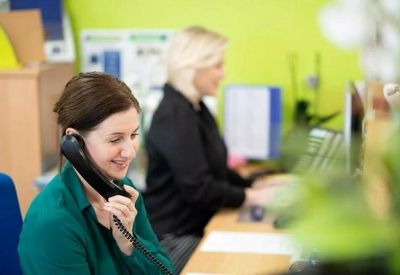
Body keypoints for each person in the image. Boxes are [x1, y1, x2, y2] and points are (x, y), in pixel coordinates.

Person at [143, 26, 282, 273]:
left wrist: (251, 185)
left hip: (196, 226)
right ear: (192, 66)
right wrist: (253, 198)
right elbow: (199, 188)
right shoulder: (175, 116)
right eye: (217, 66)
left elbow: (214, 170)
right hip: (173, 237)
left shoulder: (196, 108)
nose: (223, 74)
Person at [18, 72, 175, 275]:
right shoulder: (53, 222)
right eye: (115, 139)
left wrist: (129, 244)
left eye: (134, 135)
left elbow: (166, 271)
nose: (130, 152)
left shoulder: (124, 191)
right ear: (74, 143)